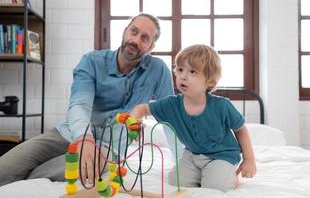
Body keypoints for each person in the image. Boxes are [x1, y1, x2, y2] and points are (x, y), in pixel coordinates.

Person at [0, 13, 174, 187]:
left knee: (91, 165)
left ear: (151, 47)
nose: (135, 40)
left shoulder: (158, 70)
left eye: (145, 38)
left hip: (109, 149)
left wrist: (183, 162)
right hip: (68, 134)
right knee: (5, 168)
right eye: (133, 31)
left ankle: (24, 181)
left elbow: (171, 117)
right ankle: (18, 174)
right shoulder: (92, 61)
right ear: (125, 31)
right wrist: (85, 139)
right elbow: (79, 105)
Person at [130, 44, 257, 192]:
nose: (183, 76)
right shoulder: (171, 104)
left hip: (222, 156)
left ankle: (227, 175)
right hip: (192, 155)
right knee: (176, 180)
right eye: (180, 69)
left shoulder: (222, 106)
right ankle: (204, 173)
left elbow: (240, 129)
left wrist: (249, 159)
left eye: (192, 72)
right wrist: (133, 122)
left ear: (209, 81)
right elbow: (142, 108)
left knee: (216, 186)